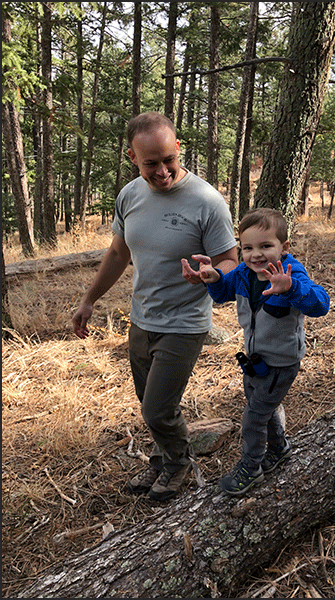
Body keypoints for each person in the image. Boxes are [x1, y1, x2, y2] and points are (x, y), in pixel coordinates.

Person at [72, 111, 238, 501]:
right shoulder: (130, 196)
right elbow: (117, 252)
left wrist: (212, 273)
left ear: (178, 149)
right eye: (151, 163)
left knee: (157, 410)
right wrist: (88, 300)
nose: (162, 171)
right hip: (142, 319)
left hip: (185, 322)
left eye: (169, 160)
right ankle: (162, 460)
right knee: (149, 403)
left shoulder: (207, 201)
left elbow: (230, 259)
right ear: (132, 157)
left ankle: (178, 464)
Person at [182, 207, 329, 496]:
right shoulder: (243, 273)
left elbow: (320, 304)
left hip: (281, 362)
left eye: (265, 246)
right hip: (255, 359)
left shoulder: (291, 273)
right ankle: (279, 449)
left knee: (253, 417)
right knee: (262, 407)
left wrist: (290, 289)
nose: (256, 255)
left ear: (284, 248)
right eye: (247, 247)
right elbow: (225, 292)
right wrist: (212, 278)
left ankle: (252, 467)